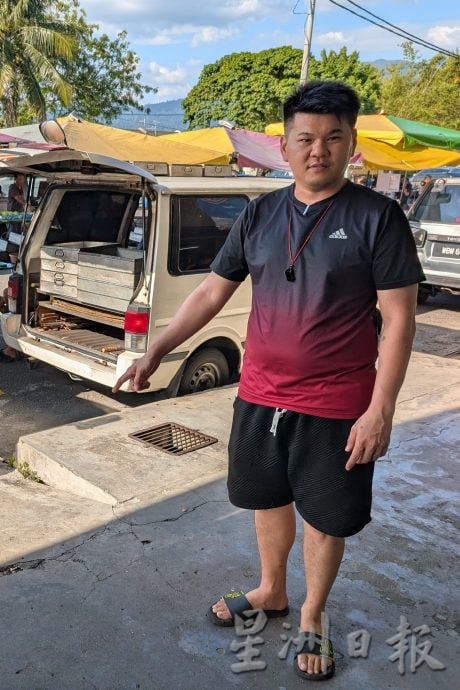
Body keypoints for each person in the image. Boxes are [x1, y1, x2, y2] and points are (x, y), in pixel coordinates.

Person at [114, 81, 423, 682]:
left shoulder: (377, 217)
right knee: (267, 497)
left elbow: (399, 318)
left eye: (334, 137)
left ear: (351, 145)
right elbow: (211, 290)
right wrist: (159, 350)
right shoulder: (259, 212)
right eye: (305, 138)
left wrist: (380, 410)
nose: (318, 150)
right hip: (259, 392)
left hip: (338, 402)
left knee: (328, 515)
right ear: (284, 147)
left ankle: (313, 614)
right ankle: (272, 590)